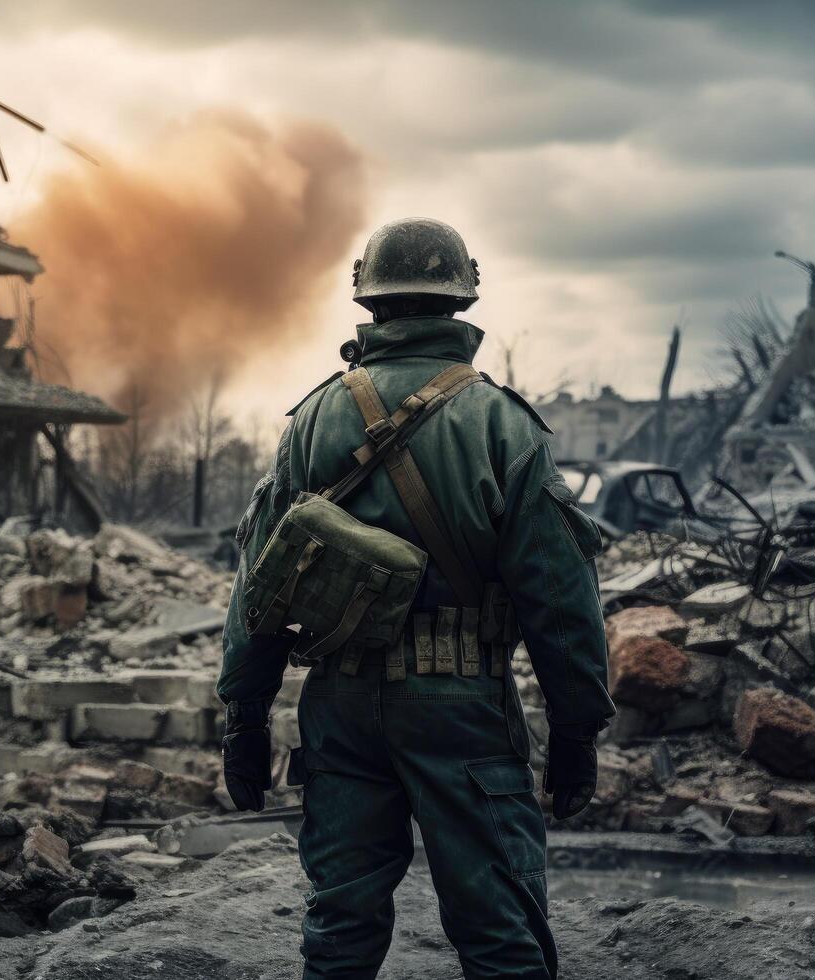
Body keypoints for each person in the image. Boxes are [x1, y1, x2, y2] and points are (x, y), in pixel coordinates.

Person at [216, 217, 615, 979]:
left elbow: (259, 588)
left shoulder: (311, 421)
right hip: (461, 709)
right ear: (461, 301)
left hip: (340, 705)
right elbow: (560, 601)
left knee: (339, 926)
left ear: (369, 302)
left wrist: (244, 713)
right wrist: (576, 729)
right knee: (500, 929)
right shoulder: (503, 423)